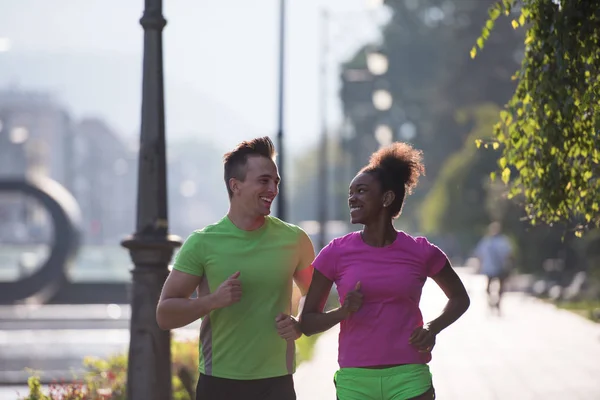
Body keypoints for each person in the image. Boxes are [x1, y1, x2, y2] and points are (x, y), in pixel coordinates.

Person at [299, 142, 470, 400]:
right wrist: (343, 312)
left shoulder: (421, 251)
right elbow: (307, 323)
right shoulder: (335, 253)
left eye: (362, 191)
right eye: (351, 192)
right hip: (355, 380)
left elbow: (460, 298)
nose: (352, 198)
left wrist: (433, 327)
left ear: (387, 198)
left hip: (409, 376)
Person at [156, 136, 315, 400]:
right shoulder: (203, 243)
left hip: (276, 382)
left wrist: (299, 323)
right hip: (219, 384)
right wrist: (213, 301)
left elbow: (315, 294)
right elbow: (165, 314)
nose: (273, 189)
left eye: (276, 182)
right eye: (264, 181)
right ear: (236, 185)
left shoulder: (294, 240)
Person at [474, 221, 513, 313]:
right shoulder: (488, 241)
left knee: (499, 286)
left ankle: (496, 303)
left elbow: (479, 255)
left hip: (498, 268)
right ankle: (492, 302)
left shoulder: (500, 241)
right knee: (489, 287)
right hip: (492, 268)